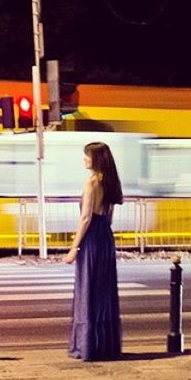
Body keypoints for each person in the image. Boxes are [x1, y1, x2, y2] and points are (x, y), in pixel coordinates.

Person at [63, 141, 123, 361]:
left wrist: (74, 248)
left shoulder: (91, 183)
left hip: (91, 240)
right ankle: (106, 346)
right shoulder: (110, 182)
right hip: (106, 238)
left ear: (95, 159)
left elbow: (86, 217)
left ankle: (88, 347)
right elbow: (109, 216)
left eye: (87, 156)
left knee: (88, 291)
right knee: (104, 294)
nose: (84, 159)